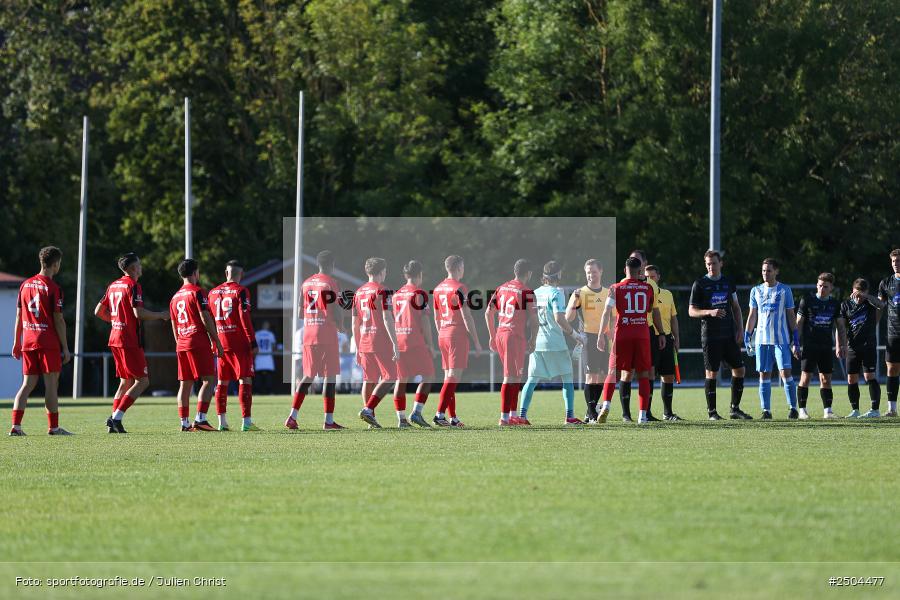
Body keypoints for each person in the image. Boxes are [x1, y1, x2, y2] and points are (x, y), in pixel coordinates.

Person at [95, 252, 170, 433]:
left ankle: (113, 424)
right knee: (143, 381)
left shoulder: (114, 285)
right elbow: (139, 313)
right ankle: (116, 418)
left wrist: (116, 321)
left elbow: (98, 310)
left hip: (115, 337)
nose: (141, 267)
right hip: (128, 340)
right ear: (133, 268)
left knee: (125, 382)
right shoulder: (133, 286)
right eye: (139, 264)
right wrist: (160, 315)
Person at [9, 246, 72, 436]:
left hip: (28, 340)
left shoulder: (25, 285)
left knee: (27, 384)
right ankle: (53, 428)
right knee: (51, 384)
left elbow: (19, 316)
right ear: (55, 264)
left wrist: (17, 342)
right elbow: (58, 320)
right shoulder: (53, 289)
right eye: (59, 263)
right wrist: (66, 347)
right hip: (47, 343)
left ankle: (16, 426)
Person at [597, 257, 666, 424]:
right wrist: (661, 333)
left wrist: (601, 334)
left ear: (624, 270)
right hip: (642, 334)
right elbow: (651, 310)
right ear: (640, 271)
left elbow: (606, 312)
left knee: (613, 372)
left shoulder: (615, 288)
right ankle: (642, 415)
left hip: (622, 334)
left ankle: (606, 404)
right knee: (643, 374)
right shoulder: (647, 288)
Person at [518, 261, 585, 425]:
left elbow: (529, 319)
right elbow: (559, 318)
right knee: (567, 377)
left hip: (537, 342)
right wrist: (575, 334)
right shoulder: (557, 292)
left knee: (531, 380)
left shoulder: (534, 292)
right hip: (555, 342)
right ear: (559, 275)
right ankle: (569, 416)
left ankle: (521, 416)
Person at [285, 250, 346, 430]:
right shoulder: (331, 282)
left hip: (309, 333)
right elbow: (336, 309)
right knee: (330, 376)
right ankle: (328, 421)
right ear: (331, 265)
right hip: (326, 333)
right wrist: (341, 326)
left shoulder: (305, 283)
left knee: (308, 376)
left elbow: (299, 312)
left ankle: (292, 416)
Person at [688, 250, 750, 420]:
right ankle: (712, 412)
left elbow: (736, 307)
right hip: (710, 336)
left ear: (721, 263)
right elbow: (691, 311)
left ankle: (734, 409)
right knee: (711, 373)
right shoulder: (699, 284)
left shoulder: (728, 282)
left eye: (714, 263)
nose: (711, 267)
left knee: (740, 370)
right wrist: (710, 312)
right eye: (708, 264)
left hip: (729, 335)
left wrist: (740, 329)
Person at [169, 258, 224, 431]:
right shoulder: (198, 292)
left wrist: (179, 343)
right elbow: (205, 317)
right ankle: (200, 419)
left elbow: (174, 324)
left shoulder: (174, 297)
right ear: (195, 273)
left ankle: (184, 423)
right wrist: (216, 340)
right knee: (209, 380)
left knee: (185, 384)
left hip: (182, 343)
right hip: (197, 340)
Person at [745, 258, 800, 419]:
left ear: (776, 271)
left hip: (781, 340)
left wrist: (795, 339)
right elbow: (752, 315)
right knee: (764, 375)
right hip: (762, 341)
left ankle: (793, 408)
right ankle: (766, 411)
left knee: (785, 373)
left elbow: (791, 316)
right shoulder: (756, 290)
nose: (765, 274)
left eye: (769, 270)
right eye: (763, 271)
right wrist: (747, 336)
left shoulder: (784, 290)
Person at [209, 260, 259, 431]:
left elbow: (208, 320)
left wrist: (213, 340)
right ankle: (246, 422)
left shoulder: (213, 292)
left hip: (221, 343)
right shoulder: (241, 291)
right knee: (245, 379)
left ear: (226, 273)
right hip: (238, 343)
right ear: (241, 274)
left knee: (222, 382)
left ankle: (222, 422)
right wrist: (252, 341)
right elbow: (245, 318)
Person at [432, 255, 482, 427]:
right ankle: (439, 414)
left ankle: (452, 418)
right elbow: (466, 315)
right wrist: (476, 341)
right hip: (456, 334)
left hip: (443, 334)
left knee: (449, 378)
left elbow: (436, 317)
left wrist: (441, 333)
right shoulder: (460, 287)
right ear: (459, 268)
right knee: (453, 377)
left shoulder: (438, 289)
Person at [486, 259, 538, 426]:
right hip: (513, 336)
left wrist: (492, 335)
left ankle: (513, 416)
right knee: (509, 376)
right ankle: (504, 417)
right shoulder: (527, 292)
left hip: (501, 334)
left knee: (515, 376)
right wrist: (533, 338)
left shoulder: (501, 288)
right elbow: (534, 319)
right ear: (528, 273)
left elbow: (488, 313)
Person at [355, 258, 400, 428]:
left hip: (365, 340)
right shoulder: (384, 290)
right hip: (380, 340)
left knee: (369, 379)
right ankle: (368, 409)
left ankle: (371, 419)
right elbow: (387, 317)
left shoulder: (358, 292)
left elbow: (355, 323)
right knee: (390, 377)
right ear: (382, 271)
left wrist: (358, 346)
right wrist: (395, 343)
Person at [393, 260, 438, 428]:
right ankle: (417, 412)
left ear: (405, 275)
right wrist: (430, 344)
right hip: (415, 340)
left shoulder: (396, 294)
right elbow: (425, 321)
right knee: (429, 376)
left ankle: (401, 419)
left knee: (401, 379)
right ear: (419, 275)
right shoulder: (419, 293)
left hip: (398, 340)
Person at [565, 259, 609, 423]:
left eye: (594, 271)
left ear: (601, 271)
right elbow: (568, 318)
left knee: (603, 377)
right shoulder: (580, 293)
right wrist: (573, 303)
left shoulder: (607, 292)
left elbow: (612, 318)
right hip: (589, 338)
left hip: (604, 338)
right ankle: (591, 414)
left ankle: (591, 410)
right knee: (591, 376)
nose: (591, 275)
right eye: (588, 272)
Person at [796, 273, 844, 419]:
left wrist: (841, 344)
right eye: (820, 285)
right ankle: (802, 411)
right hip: (810, 347)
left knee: (826, 379)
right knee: (805, 377)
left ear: (831, 288)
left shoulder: (835, 304)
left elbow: (840, 326)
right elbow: (798, 324)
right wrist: (795, 344)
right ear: (817, 285)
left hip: (826, 347)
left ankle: (828, 411)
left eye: (825, 286)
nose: (822, 289)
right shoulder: (807, 301)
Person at [838, 278, 884, 418]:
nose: (858, 298)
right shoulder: (845, 305)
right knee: (851, 379)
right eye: (856, 294)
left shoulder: (870, 303)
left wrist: (866, 296)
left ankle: (875, 410)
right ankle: (855, 410)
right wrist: (840, 344)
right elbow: (840, 326)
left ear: (865, 292)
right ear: (852, 291)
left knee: (869, 376)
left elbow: (881, 305)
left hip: (868, 346)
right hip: (852, 347)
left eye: (861, 294)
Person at [644, 264, 682, 420]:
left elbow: (673, 318)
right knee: (650, 374)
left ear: (658, 277)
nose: (649, 279)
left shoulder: (667, 294)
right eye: (646, 277)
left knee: (668, 376)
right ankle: (646, 412)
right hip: (651, 337)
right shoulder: (643, 294)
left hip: (666, 338)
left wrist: (676, 338)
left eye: (652, 276)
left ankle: (668, 413)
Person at [877, 249, 900, 416]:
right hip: (893, 333)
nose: (895, 264)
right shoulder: (886, 283)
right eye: (893, 261)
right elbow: (880, 306)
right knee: (891, 369)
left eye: (898, 260)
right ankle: (892, 409)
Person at [254, 322, 276, 395]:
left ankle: (257, 392)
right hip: (268, 358)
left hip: (259, 357)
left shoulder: (257, 334)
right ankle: (269, 392)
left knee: (259, 376)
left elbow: (254, 346)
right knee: (268, 377)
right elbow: (273, 347)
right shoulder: (270, 334)